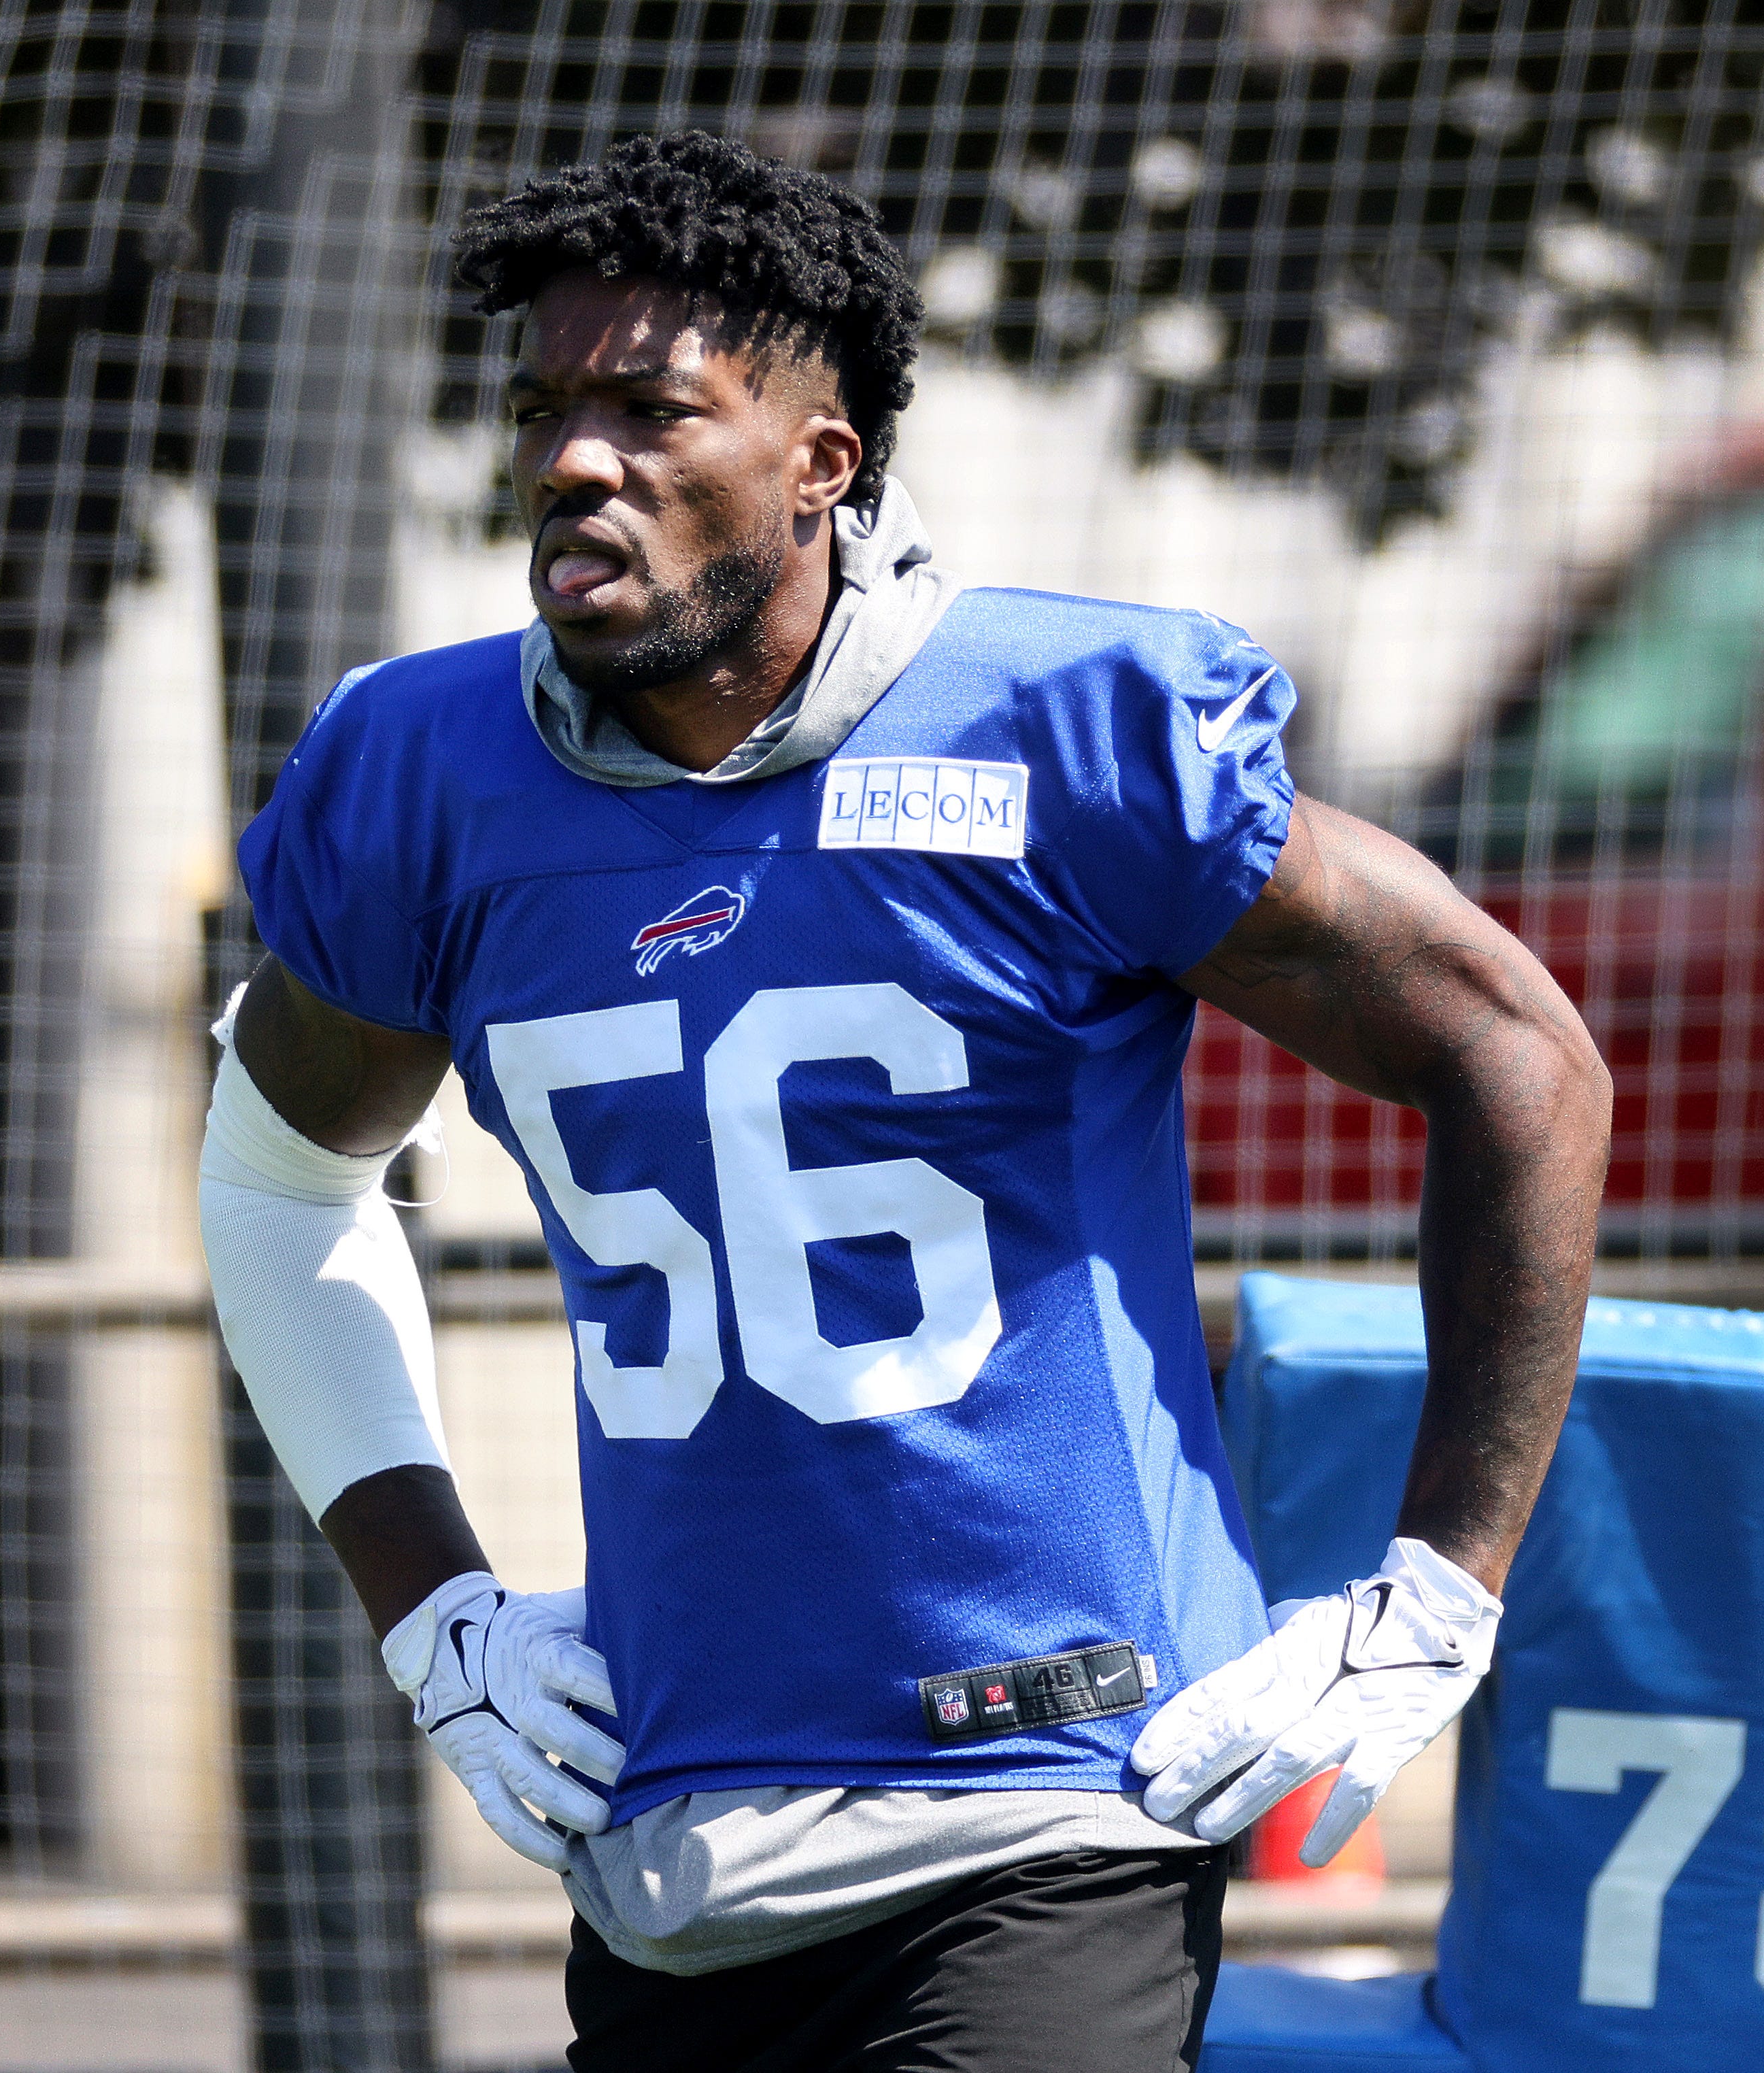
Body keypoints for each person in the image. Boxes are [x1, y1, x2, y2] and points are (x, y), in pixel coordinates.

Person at [199, 130, 1610, 2073]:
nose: (569, 461)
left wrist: (1439, 1590)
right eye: (543, 406)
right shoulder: (424, 779)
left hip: (1051, 1805)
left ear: (821, 464)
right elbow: (280, 1186)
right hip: (673, 1824)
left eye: (646, 407)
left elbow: (1518, 1055)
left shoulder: (1065, 729)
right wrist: (430, 1607)